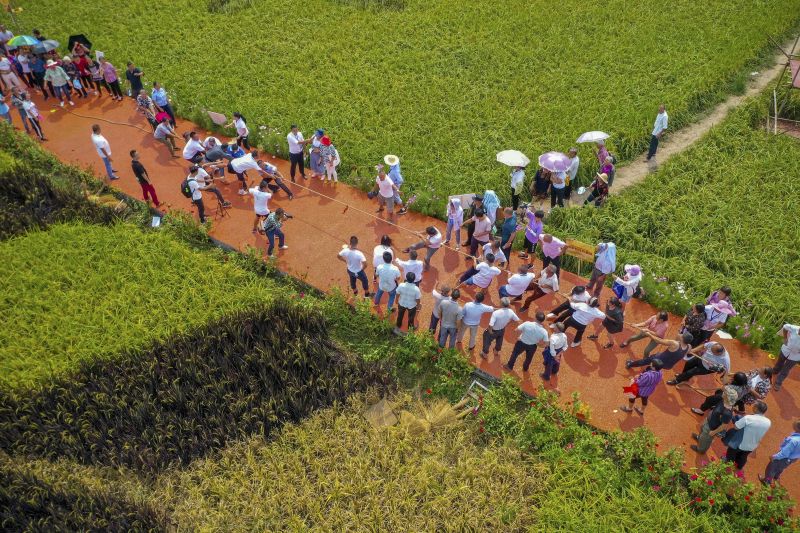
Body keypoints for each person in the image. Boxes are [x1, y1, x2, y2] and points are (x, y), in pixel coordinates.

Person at [726, 401, 771, 470]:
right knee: (743, 456)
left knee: (731, 454)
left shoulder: (748, 418)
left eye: (754, 405)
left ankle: (727, 465)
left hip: (739, 443)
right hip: (752, 446)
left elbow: (736, 427)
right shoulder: (768, 422)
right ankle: (739, 467)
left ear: (756, 409)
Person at [690, 388, 736, 454]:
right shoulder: (723, 400)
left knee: (706, 439)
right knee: (702, 431)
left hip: (712, 427)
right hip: (709, 420)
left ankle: (701, 450)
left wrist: (714, 432)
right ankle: (699, 439)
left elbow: (724, 426)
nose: (723, 393)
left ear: (727, 397)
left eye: (725, 393)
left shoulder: (727, 413)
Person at [627, 330, 694, 371]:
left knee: (644, 361)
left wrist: (649, 334)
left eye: (682, 335)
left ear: (682, 338)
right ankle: (649, 370)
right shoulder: (689, 347)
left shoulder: (674, 343)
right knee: (655, 368)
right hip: (668, 366)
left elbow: (658, 341)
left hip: (658, 359)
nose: (681, 335)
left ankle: (630, 364)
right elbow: (684, 352)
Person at [774, 323, 800, 391]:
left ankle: (778, 382)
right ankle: (775, 371)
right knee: (779, 362)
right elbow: (785, 327)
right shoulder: (794, 328)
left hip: (795, 356)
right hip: (786, 349)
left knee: (786, 369)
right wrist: (785, 338)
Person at [541, 322, 568, 387]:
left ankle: (546, 376)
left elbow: (552, 350)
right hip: (559, 351)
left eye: (555, 326)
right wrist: (559, 354)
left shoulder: (553, 338)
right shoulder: (564, 335)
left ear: (557, 329)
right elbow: (565, 346)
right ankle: (555, 371)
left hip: (552, 353)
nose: (554, 327)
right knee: (557, 362)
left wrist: (555, 356)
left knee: (549, 364)